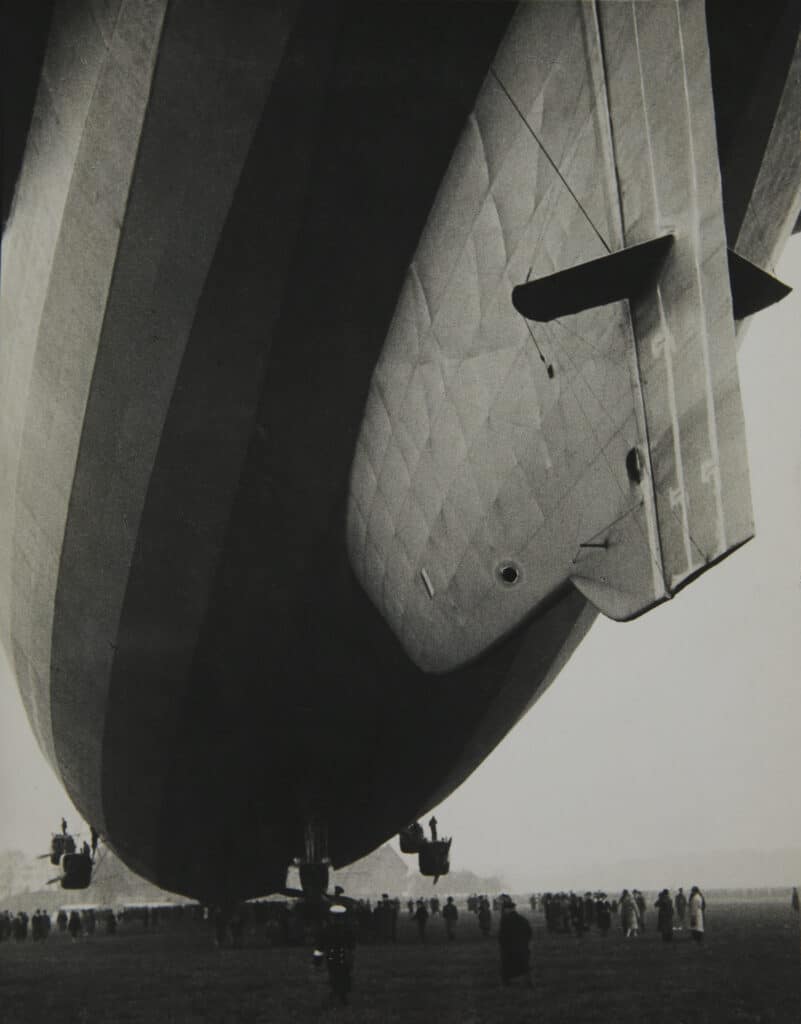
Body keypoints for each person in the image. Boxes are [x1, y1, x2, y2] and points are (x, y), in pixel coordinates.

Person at [320, 904, 355, 1006]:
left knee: (340, 975)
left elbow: (351, 945)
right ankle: (339, 993)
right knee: (337, 975)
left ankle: (340, 994)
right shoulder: (344, 929)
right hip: (337, 956)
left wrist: (317, 960)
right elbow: (320, 945)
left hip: (340, 956)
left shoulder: (330, 929)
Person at [498, 900, 533, 987]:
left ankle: (506, 982)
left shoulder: (505, 920)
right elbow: (529, 932)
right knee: (524, 965)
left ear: (506, 909)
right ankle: (528, 982)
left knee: (507, 965)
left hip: (509, 948)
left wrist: (503, 944)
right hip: (522, 947)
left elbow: (502, 935)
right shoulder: (522, 919)